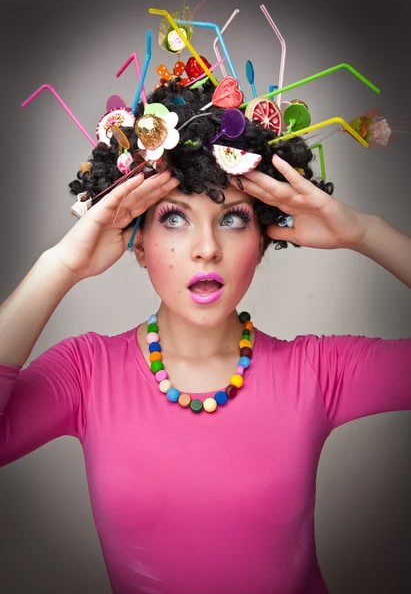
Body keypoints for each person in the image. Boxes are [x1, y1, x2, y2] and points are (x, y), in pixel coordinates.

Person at [1, 37, 411, 594]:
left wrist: (365, 233)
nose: (205, 248)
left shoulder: (320, 370)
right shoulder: (86, 372)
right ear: (136, 243)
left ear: (265, 239)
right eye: (173, 219)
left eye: (233, 219)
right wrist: (61, 264)